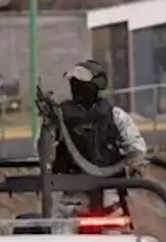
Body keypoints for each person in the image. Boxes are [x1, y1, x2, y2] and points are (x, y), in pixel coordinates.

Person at [54, 60, 147, 219]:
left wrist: (134, 165)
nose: (76, 87)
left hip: (110, 198)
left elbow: (137, 148)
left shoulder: (115, 116)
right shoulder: (59, 117)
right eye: (74, 82)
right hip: (72, 199)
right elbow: (42, 151)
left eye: (81, 83)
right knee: (62, 239)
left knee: (116, 240)